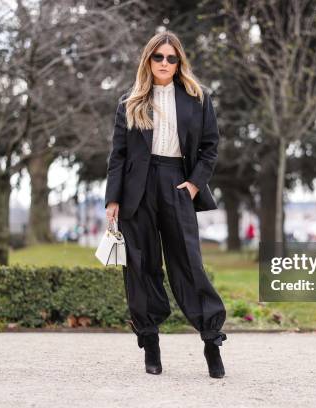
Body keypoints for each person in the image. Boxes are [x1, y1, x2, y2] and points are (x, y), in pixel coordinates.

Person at [104, 31, 227, 378]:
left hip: (177, 184)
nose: (164, 63)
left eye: (171, 58)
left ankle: (211, 340)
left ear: (179, 62)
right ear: (148, 60)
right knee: (141, 267)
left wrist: (193, 185)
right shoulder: (130, 100)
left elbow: (209, 146)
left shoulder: (198, 98)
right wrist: (113, 199)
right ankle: (150, 343)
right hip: (136, 190)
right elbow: (118, 155)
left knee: (189, 263)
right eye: (158, 57)